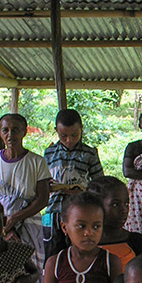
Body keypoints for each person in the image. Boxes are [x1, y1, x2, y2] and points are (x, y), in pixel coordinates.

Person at [0, 113, 51, 246]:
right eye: (5, 130)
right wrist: (6, 226)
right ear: (0, 133)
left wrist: (15, 218)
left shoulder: (37, 162)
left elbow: (43, 199)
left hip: (29, 224)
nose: (10, 134)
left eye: (15, 130)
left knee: (29, 264)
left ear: (24, 132)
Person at [44, 108, 104, 255]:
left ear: (81, 130)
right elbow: (41, 182)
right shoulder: (49, 153)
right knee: (53, 253)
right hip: (54, 213)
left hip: (81, 214)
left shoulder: (89, 153)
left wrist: (83, 191)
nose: (69, 140)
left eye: (74, 135)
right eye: (63, 136)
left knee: (79, 252)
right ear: (56, 130)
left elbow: (100, 184)